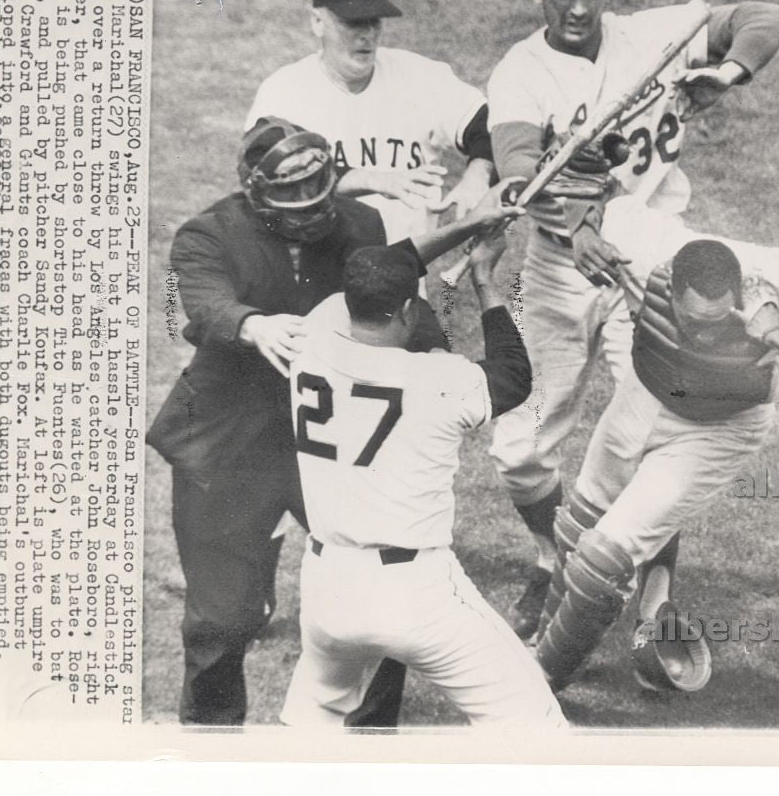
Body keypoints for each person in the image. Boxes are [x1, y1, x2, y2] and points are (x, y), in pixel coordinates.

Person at [147, 117, 519, 725]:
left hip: (334, 447)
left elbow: (396, 294)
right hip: (232, 447)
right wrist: (252, 324)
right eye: (290, 198)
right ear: (253, 192)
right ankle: (211, 758)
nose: (309, 210)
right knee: (220, 619)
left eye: (317, 192)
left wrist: (434, 362)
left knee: (389, 595)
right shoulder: (206, 234)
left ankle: (365, 750)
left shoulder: (361, 223)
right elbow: (204, 303)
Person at [486, 0, 779, 636]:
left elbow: (766, 17)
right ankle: (550, 561)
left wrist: (727, 74)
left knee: (660, 434)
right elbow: (516, 171)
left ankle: (654, 600)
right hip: (560, 269)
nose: (576, 6)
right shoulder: (520, 73)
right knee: (520, 448)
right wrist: (578, 230)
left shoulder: (656, 35)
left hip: (653, 262)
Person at [532, 198, 779, 690]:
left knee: (602, 559)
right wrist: (582, 230)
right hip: (644, 394)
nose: (707, 331)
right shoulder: (641, 243)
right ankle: (539, 645)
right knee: (578, 527)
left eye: (719, 319)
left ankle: (540, 684)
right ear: (672, 287)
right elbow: (588, 191)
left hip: (719, 428)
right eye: (695, 320)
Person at [280, 229, 567, 728]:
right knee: (537, 726)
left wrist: (463, 226)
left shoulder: (311, 337)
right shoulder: (440, 380)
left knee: (311, 725)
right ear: (410, 313)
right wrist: (485, 279)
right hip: (415, 593)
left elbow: (394, 264)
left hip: (326, 586)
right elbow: (513, 375)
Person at [246, 0, 495, 247]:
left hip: (402, 277)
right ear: (317, 21)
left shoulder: (422, 78)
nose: (366, 34)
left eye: (374, 20)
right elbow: (267, 176)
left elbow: (492, 123)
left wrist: (478, 175)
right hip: (313, 281)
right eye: (352, 21)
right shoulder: (284, 91)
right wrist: (372, 180)